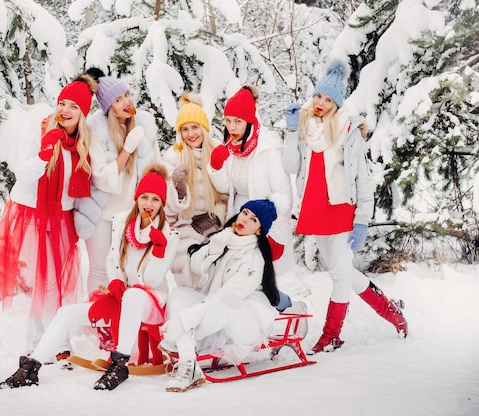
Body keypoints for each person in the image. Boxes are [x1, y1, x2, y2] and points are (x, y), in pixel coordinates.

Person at [0, 164, 179, 391]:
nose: (148, 204)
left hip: (149, 304)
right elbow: (113, 258)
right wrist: (115, 280)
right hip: (121, 297)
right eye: (144, 197)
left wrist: (159, 247)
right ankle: (32, 367)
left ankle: (119, 363)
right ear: (136, 198)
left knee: (133, 294)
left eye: (155, 200)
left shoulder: (169, 235)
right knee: (67, 312)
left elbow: (151, 281)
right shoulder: (122, 222)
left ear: (162, 204)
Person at [281, 59, 408, 355]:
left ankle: (332, 335)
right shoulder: (303, 128)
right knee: (345, 273)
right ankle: (392, 312)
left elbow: (362, 180)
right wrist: (289, 132)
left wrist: (361, 220)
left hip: (339, 210)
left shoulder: (348, 132)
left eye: (328, 99)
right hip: (315, 210)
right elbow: (290, 165)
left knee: (339, 275)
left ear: (337, 104)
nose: (321, 103)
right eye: (318, 96)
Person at [0, 73, 97, 353]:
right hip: (31, 214)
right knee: (44, 283)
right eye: (62, 103)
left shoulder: (83, 144)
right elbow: (22, 175)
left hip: (62, 218)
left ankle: (52, 341)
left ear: (83, 113)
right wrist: (43, 156)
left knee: (58, 284)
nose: (65, 111)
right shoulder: (40, 131)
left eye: (73, 106)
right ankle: (46, 343)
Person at [160, 199, 281, 393]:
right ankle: (189, 364)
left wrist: (185, 321)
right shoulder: (226, 238)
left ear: (259, 230)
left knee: (221, 302)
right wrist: (213, 247)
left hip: (243, 321)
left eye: (253, 219)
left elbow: (228, 296)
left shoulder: (254, 259)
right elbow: (196, 266)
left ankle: (187, 346)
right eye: (245, 213)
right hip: (214, 308)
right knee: (178, 294)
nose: (245, 220)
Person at [207, 85, 300, 313]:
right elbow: (225, 187)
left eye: (237, 121)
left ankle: (287, 310)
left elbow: (283, 196)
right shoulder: (232, 149)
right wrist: (215, 166)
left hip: (265, 228)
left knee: (255, 281)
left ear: (249, 121)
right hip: (239, 224)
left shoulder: (267, 150)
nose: (232, 127)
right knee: (236, 278)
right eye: (228, 121)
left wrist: (264, 226)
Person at [83, 68, 161, 296]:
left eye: (126, 94)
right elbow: (100, 176)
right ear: (109, 108)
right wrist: (127, 149)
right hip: (102, 211)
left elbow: (153, 169)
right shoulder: (97, 130)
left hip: (130, 212)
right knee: (99, 270)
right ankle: (96, 321)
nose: (126, 101)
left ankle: (119, 320)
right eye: (118, 100)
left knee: (126, 270)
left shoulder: (144, 125)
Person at [161, 92, 227, 288]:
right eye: (185, 129)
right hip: (185, 227)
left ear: (204, 128)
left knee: (217, 277)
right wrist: (178, 193)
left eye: (195, 127)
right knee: (188, 271)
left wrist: (215, 217)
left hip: (216, 225)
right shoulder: (173, 156)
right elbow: (165, 209)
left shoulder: (217, 150)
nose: (191, 134)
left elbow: (228, 193)